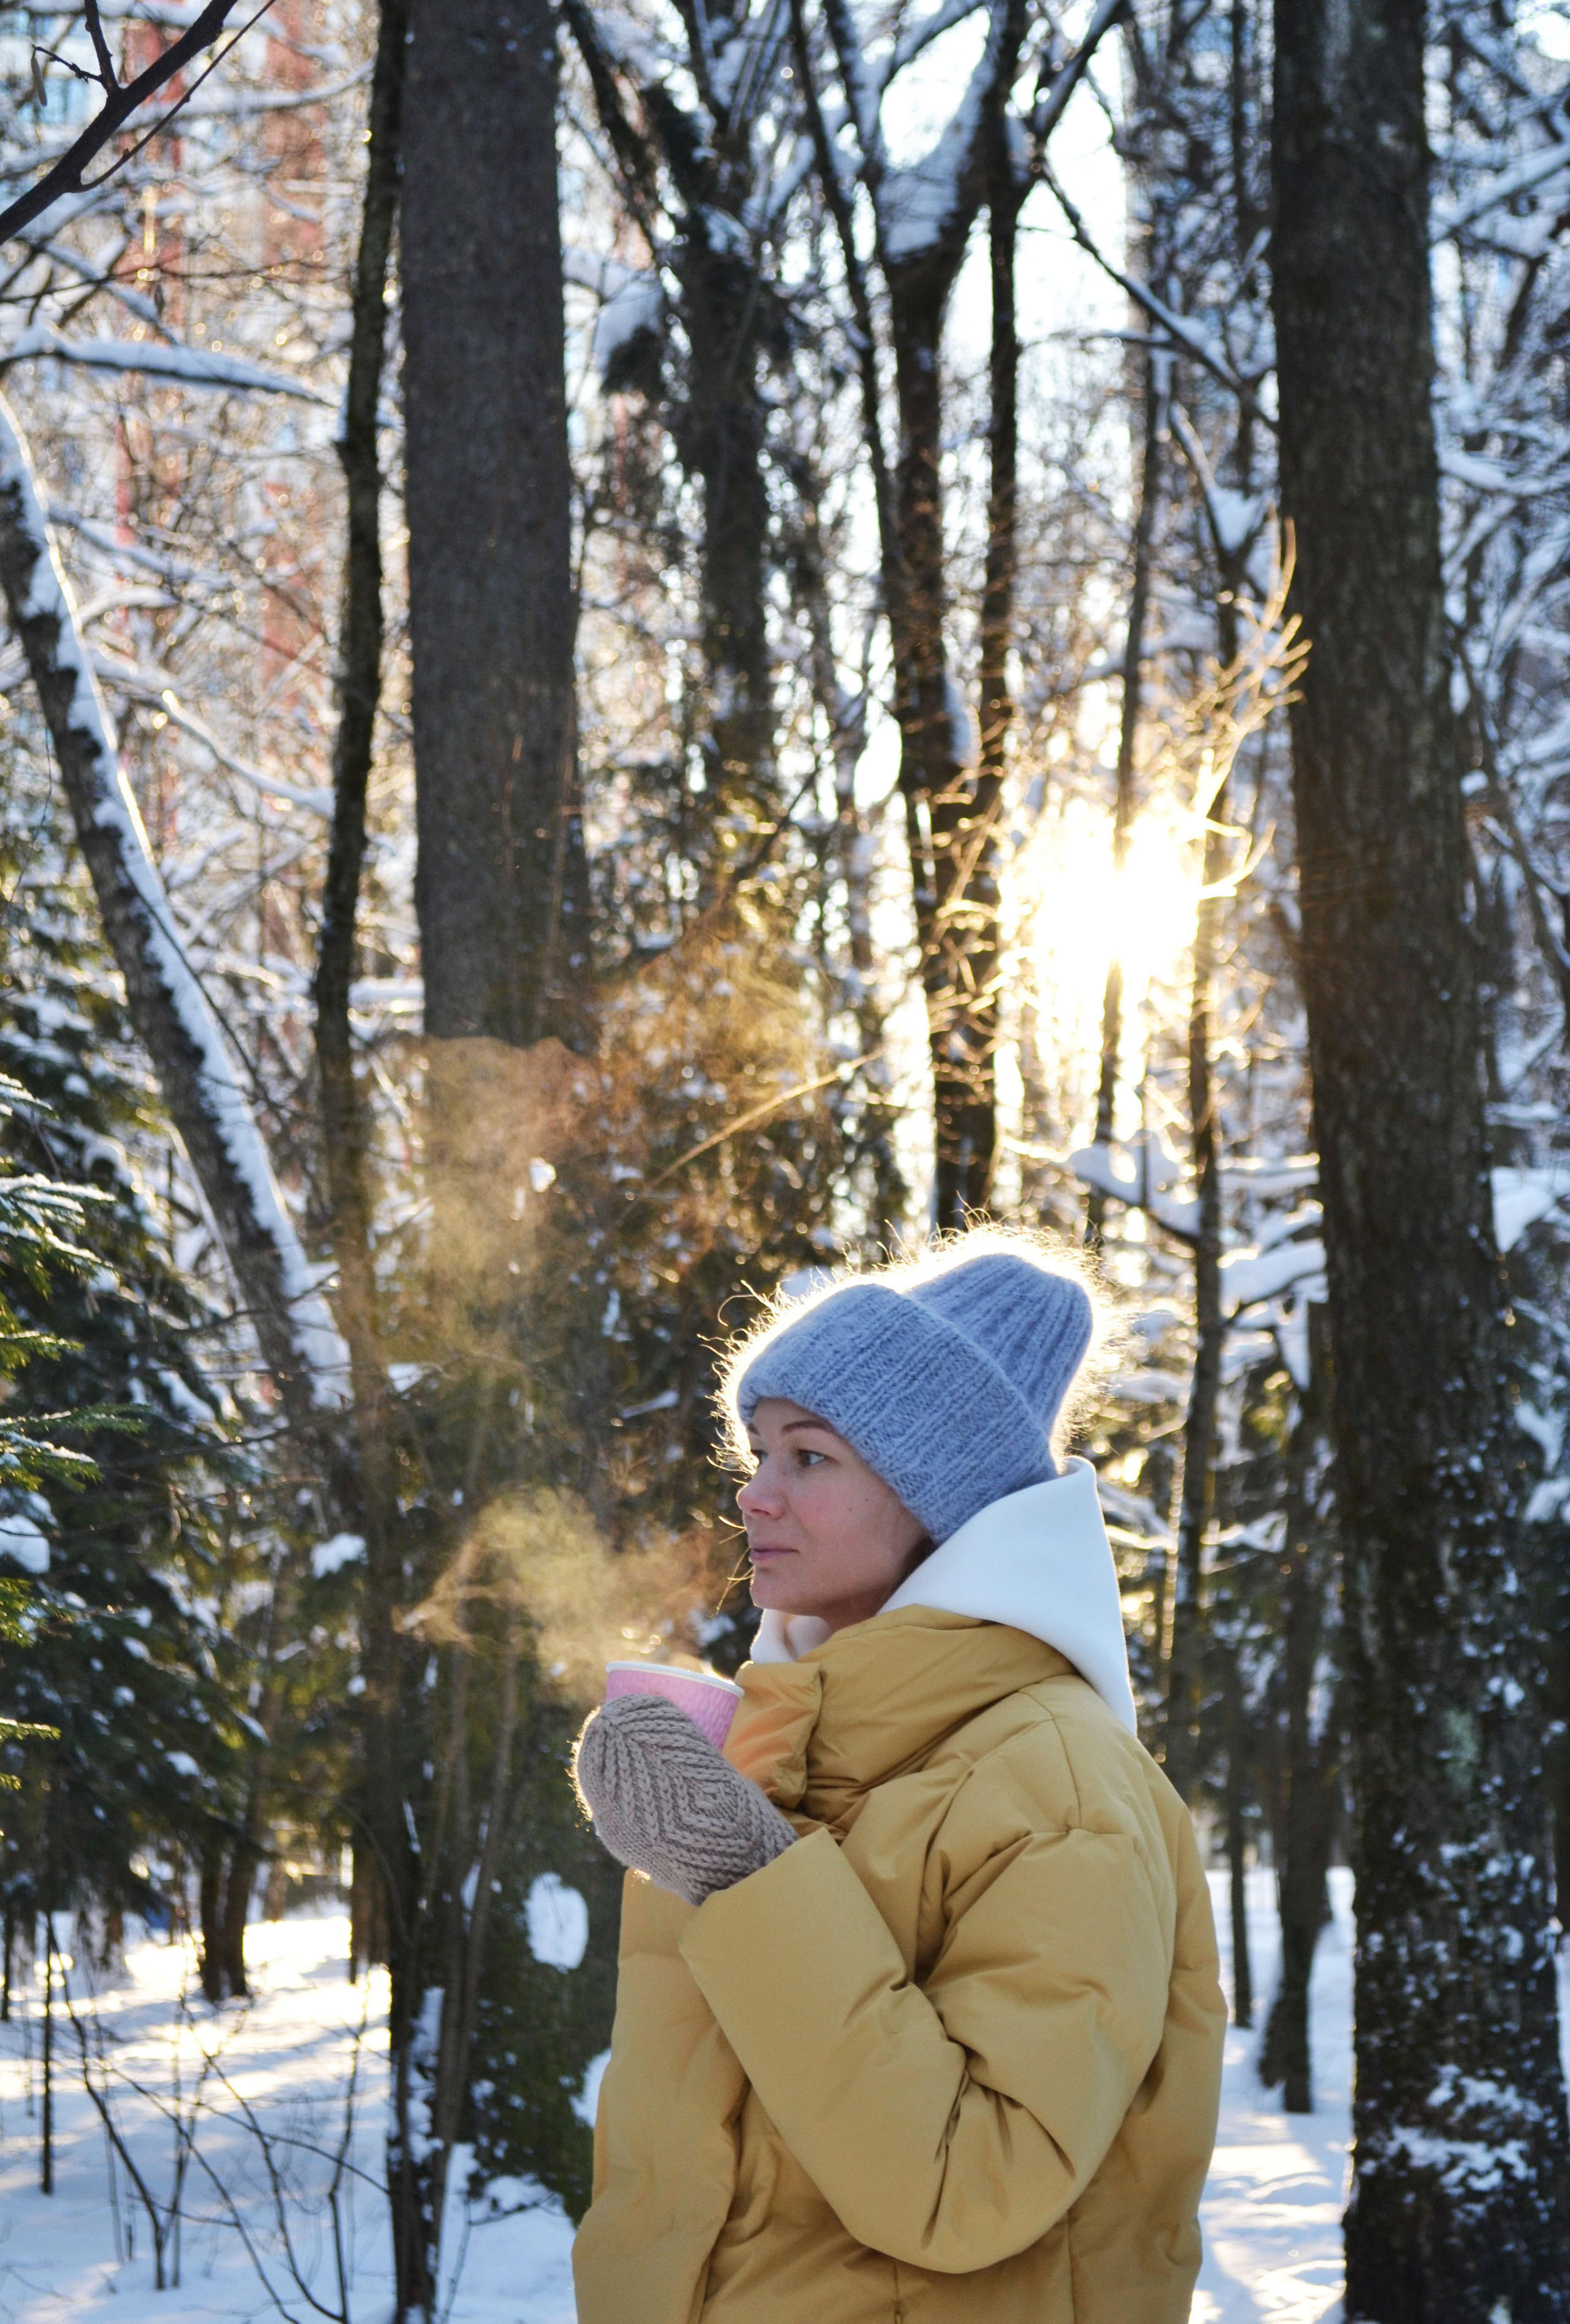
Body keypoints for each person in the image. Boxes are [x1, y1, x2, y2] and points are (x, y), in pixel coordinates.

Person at [571, 1228, 1226, 2323]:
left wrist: (743, 1877)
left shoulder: (1061, 1784)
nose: (754, 1496)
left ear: (938, 1495)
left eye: (809, 1457)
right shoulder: (793, 1746)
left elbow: (971, 2186)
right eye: (759, 1454)